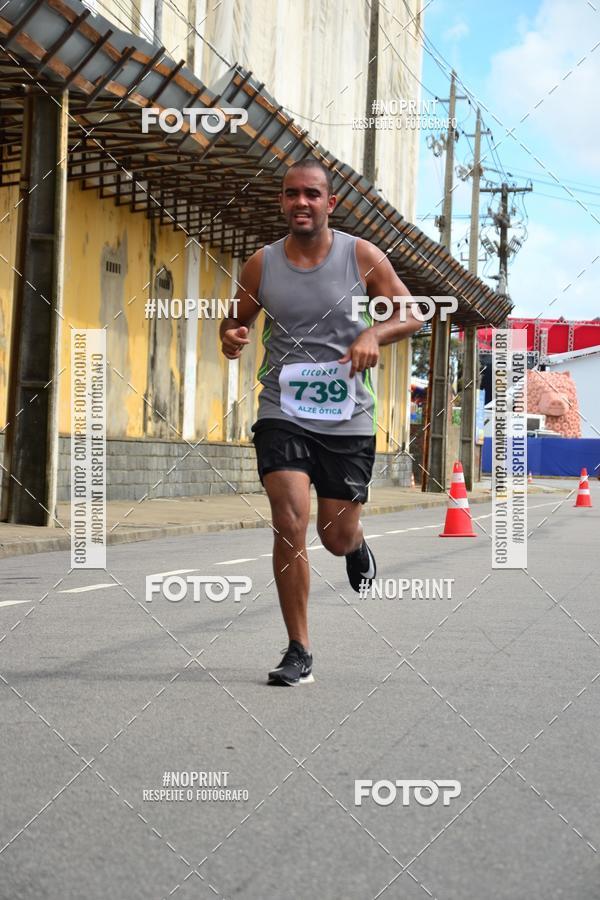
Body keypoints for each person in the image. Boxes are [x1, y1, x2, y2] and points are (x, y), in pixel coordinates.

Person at [219, 158, 422, 685]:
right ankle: (298, 650)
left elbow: (412, 312)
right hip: (282, 411)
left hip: (347, 417)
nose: (301, 203)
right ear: (282, 202)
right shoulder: (261, 264)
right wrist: (231, 337)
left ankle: (354, 545)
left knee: (333, 536)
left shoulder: (361, 256)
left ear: (330, 203)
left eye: (312, 194)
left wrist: (374, 335)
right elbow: (236, 320)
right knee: (289, 521)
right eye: (291, 194)